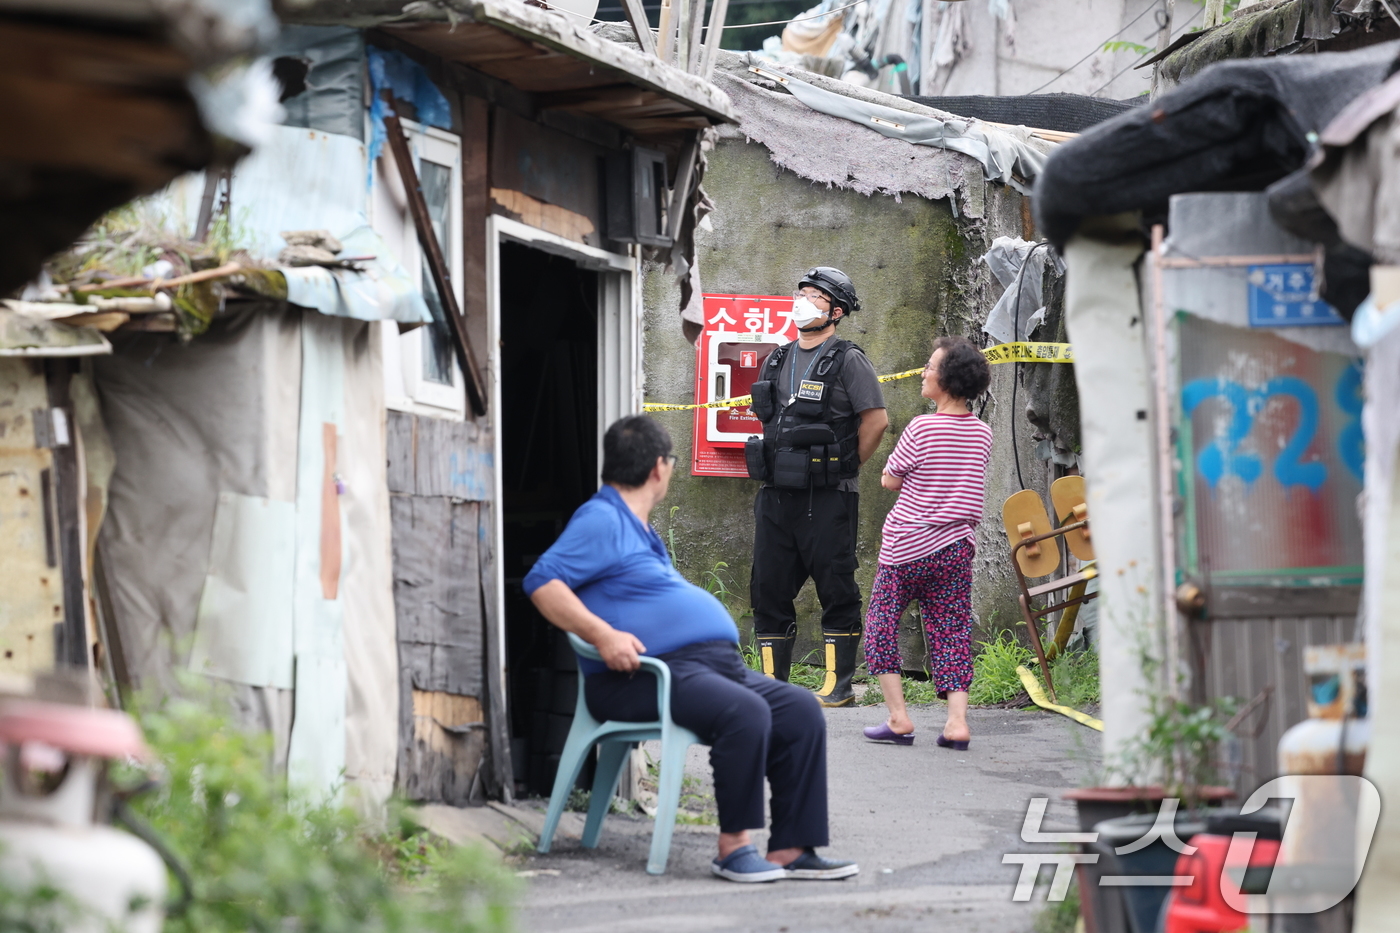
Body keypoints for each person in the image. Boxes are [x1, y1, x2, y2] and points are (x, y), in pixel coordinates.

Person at [525, 415, 859, 883]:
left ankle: (791, 848)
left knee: (800, 708)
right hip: (647, 675)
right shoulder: (602, 517)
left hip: (706, 667)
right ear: (661, 468)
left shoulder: (637, 529)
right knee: (745, 712)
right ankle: (734, 848)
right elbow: (542, 581)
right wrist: (604, 636)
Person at [746, 267, 888, 708]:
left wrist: (845, 467)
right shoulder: (777, 357)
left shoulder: (848, 359)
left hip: (828, 497)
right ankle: (773, 685)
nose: (803, 300)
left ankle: (837, 685)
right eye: (801, 292)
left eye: (815, 296)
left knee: (836, 586)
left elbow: (876, 420)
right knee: (768, 589)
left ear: (837, 311)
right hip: (775, 495)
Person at [860, 336, 992, 749]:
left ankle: (899, 718)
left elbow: (891, 478)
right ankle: (956, 724)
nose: (924, 372)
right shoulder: (983, 434)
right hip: (955, 548)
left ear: (948, 380)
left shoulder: (921, 426)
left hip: (907, 548)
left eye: (930, 366)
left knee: (881, 625)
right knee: (951, 630)